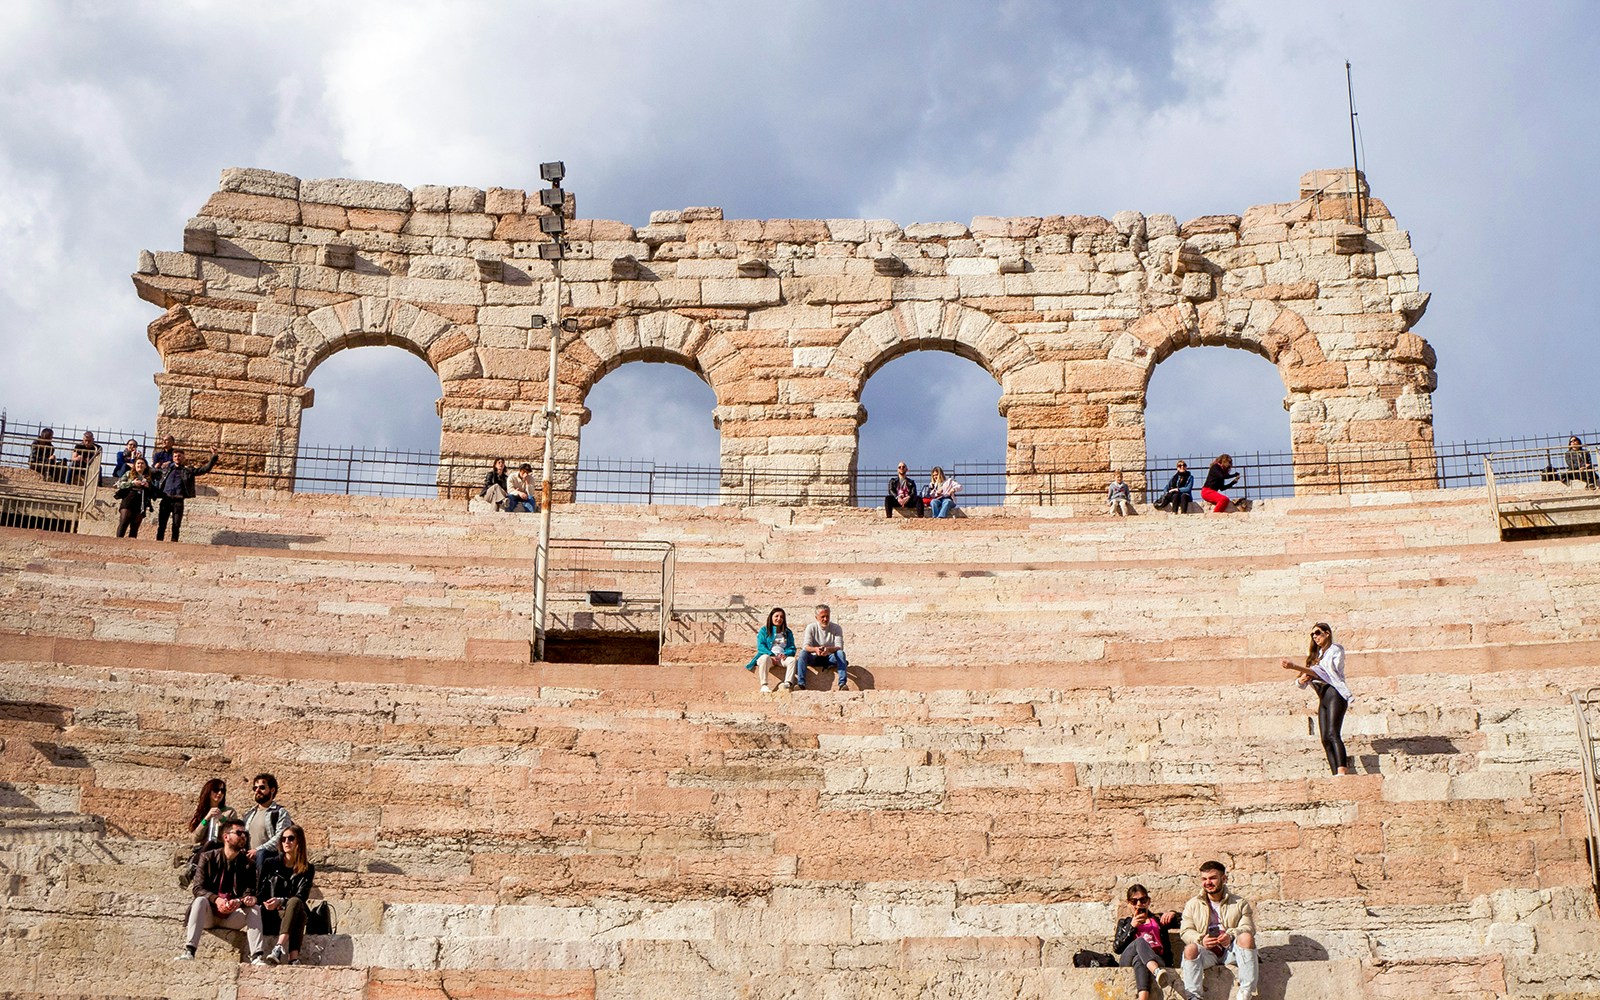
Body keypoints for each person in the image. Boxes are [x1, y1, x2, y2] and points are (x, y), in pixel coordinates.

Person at [176, 818, 266, 964]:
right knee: (199, 900)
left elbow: (249, 892)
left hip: (232, 916)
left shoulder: (248, 864)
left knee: (255, 908)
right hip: (209, 914)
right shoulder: (207, 857)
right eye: (238, 833)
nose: (243, 836)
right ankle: (189, 950)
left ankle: (257, 956)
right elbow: (198, 888)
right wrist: (216, 900)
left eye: (245, 833)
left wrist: (241, 901)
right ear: (226, 837)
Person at [1281, 622, 1353, 775]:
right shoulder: (1316, 656)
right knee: (1325, 738)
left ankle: (1342, 771)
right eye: (1313, 634)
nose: (1315, 636)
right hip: (1323, 697)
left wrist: (1295, 667)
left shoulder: (1335, 649)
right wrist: (1301, 679)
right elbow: (1301, 682)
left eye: (1318, 633)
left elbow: (1326, 672)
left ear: (1327, 633)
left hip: (1335, 694)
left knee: (1333, 733)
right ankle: (1335, 773)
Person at [1179, 860, 1257, 1000]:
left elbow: (1248, 927)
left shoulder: (1240, 903)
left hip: (1231, 950)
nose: (1208, 882)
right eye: (1204, 879)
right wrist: (1201, 939)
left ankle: (1245, 993)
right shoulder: (1192, 904)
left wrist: (1231, 935)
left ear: (1224, 879)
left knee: (1246, 938)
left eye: (1213, 878)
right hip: (1207, 952)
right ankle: (1193, 997)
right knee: (1190, 949)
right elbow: (1185, 931)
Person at [1113, 883, 1183, 1000]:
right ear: (1129, 903)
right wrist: (1132, 927)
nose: (1139, 904)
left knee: (1139, 959)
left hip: (1156, 958)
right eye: (1134, 901)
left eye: (1143, 900)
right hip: (1128, 959)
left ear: (1148, 901)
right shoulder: (1125, 922)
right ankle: (1156, 971)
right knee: (1140, 941)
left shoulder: (1157, 919)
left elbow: (1185, 920)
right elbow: (1117, 948)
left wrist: (1173, 913)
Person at [260, 824, 316, 965]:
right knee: (299, 911)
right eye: (283, 839)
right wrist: (270, 903)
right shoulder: (270, 864)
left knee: (296, 903)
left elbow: (302, 895)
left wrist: (281, 901)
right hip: (271, 915)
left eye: (291, 838)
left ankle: (279, 947)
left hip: (291, 912)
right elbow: (261, 892)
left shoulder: (308, 869)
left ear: (299, 842)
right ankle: (293, 957)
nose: (286, 842)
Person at [182, 777, 237, 888]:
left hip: (221, 848)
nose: (220, 793)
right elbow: (195, 838)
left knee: (212, 842)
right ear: (209, 791)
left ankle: (191, 870)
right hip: (204, 851)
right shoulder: (202, 812)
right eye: (216, 790)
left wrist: (221, 818)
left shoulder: (229, 812)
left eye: (223, 791)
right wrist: (206, 818)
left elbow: (233, 831)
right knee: (208, 844)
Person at [154, 449, 219, 542]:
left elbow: (204, 469)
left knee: (176, 525)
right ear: (173, 458)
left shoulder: (188, 471)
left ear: (184, 458)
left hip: (178, 501)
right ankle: (158, 542)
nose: (177, 458)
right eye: (175, 456)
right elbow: (151, 471)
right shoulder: (165, 470)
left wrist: (214, 457)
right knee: (162, 525)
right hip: (166, 500)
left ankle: (174, 543)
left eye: (180, 456)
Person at [239, 773, 293, 877]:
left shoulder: (280, 812)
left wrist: (258, 850)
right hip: (249, 858)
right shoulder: (249, 814)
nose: (257, 791)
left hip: (269, 857)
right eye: (255, 788)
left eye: (262, 787)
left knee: (262, 854)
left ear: (272, 790)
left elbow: (280, 837)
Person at [795, 604, 848, 690]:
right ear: (816, 617)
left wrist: (828, 650)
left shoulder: (836, 628)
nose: (825, 619)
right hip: (814, 657)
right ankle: (801, 683)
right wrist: (815, 649)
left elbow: (839, 647)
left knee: (840, 653)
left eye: (827, 616)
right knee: (803, 653)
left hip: (830, 657)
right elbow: (806, 646)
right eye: (822, 617)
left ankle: (842, 684)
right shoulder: (811, 627)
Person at [744, 607, 797, 693]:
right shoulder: (764, 630)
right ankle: (764, 685)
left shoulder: (788, 632)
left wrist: (786, 654)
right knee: (764, 658)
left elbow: (792, 647)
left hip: (781, 658)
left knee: (792, 660)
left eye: (781, 617)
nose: (779, 619)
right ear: (771, 617)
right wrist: (771, 655)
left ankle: (787, 683)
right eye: (776, 616)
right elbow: (761, 646)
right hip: (768, 657)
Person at [113, 457, 158, 538]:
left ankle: (131, 546)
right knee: (124, 521)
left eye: (142, 463)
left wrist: (148, 486)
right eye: (138, 463)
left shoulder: (149, 477)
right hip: (129, 499)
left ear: (145, 466)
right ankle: (118, 542)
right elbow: (119, 484)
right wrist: (132, 483)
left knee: (135, 526)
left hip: (141, 501)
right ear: (135, 465)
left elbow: (154, 490)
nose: (140, 465)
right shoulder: (128, 473)